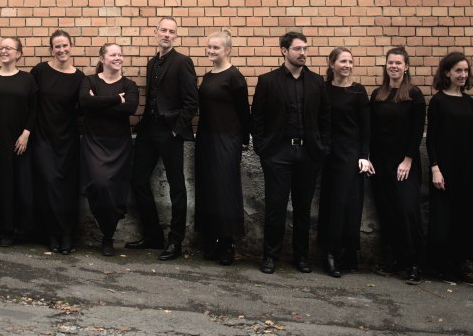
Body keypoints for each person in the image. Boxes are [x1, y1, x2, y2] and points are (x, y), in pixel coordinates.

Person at [252, 31, 330, 275]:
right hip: (277, 153)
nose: (303, 53)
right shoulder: (268, 81)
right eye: (298, 49)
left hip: (308, 154)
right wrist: (262, 149)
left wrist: (322, 147)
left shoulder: (317, 82)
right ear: (284, 51)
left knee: (303, 208)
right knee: (275, 206)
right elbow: (258, 118)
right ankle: (270, 257)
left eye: (305, 48)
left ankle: (302, 256)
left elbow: (325, 118)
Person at [127, 17, 198, 261]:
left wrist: (177, 130)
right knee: (137, 181)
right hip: (149, 131)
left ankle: (175, 241)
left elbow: (191, 101)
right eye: (163, 30)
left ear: (175, 36)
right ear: (155, 33)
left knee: (177, 186)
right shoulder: (151, 63)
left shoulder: (183, 62)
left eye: (172, 32)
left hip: (170, 132)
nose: (167, 34)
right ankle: (153, 235)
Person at [426, 52, 473, 283]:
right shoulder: (438, 101)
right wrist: (435, 168)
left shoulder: (468, 101)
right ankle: (443, 266)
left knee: (465, 217)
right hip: (445, 168)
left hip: (467, 169)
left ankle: (460, 264)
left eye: (465, 71)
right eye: (458, 71)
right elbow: (431, 139)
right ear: (447, 73)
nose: (462, 75)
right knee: (444, 218)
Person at [369, 47, 426, 284]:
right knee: (388, 211)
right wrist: (369, 157)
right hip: (380, 163)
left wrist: (408, 159)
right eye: (390, 62)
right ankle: (394, 261)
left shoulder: (414, 94)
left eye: (398, 63)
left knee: (408, 211)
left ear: (406, 66)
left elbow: (417, 131)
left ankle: (415, 264)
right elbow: (371, 129)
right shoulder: (377, 94)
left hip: (404, 164)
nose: (393, 66)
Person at [194, 30, 250, 266]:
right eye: (209, 47)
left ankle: (228, 243)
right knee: (208, 189)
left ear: (227, 50)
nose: (211, 51)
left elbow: (243, 112)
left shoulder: (235, 77)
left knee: (226, 190)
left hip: (228, 140)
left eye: (216, 47)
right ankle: (212, 240)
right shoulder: (207, 77)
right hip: (206, 139)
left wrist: (243, 140)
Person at [318, 47, 373, 278]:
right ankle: (330, 254)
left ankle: (349, 253)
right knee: (332, 205)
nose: (347, 65)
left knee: (351, 204)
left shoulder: (358, 91)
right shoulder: (324, 90)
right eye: (343, 61)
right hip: (329, 155)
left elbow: (365, 126)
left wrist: (364, 156)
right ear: (332, 64)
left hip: (352, 156)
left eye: (350, 61)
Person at [80, 43, 139, 256]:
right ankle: (102, 224)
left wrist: (99, 103)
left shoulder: (130, 85)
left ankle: (108, 236)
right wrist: (115, 99)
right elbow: (85, 103)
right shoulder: (90, 80)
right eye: (113, 54)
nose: (118, 58)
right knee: (99, 183)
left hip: (119, 145)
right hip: (94, 142)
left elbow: (130, 108)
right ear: (102, 58)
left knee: (115, 189)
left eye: (120, 54)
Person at [0, 37, 38, 247]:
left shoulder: (27, 80)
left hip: (18, 142)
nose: (4, 51)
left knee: (17, 184)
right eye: (1, 48)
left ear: (18, 54)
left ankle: (11, 230)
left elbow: (34, 109)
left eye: (8, 48)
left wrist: (26, 134)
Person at [30, 30, 85, 254]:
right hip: (43, 137)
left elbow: (82, 110)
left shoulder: (79, 77)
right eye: (57, 47)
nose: (61, 50)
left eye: (65, 46)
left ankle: (67, 235)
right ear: (51, 50)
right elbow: (30, 103)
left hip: (69, 139)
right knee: (49, 184)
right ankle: (52, 233)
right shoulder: (40, 72)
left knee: (68, 187)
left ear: (71, 47)